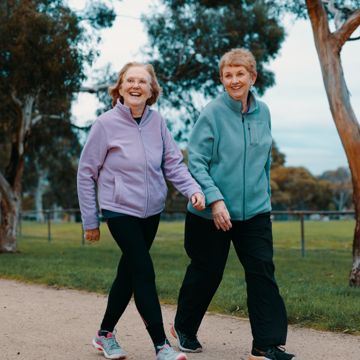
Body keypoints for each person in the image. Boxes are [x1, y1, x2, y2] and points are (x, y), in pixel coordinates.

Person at [171, 49, 295, 360]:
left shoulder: (263, 112)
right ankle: (184, 325)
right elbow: (196, 163)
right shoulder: (212, 113)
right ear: (222, 79)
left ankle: (265, 345)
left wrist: (264, 200)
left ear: (253, 77)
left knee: (261, 271)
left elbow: (264, 160)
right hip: (209, 213)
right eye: (228, 75)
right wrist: (216, 200)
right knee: (207, 272)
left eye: (240, 74)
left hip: (254, 211)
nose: (234, 80)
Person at [77, 61, 205, 360]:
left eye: (142, 82)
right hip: (118, 209)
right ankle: (161, 345)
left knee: (129, 273)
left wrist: (194, 190)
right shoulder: (105, 124)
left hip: (150, 212)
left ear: (151, 90)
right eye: (129, 80)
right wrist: (90, 220)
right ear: (120, 88)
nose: (136, 86)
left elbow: (172, 163)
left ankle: (104, 334)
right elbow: (86, 173)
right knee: (144, 271)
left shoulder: (157, 122)